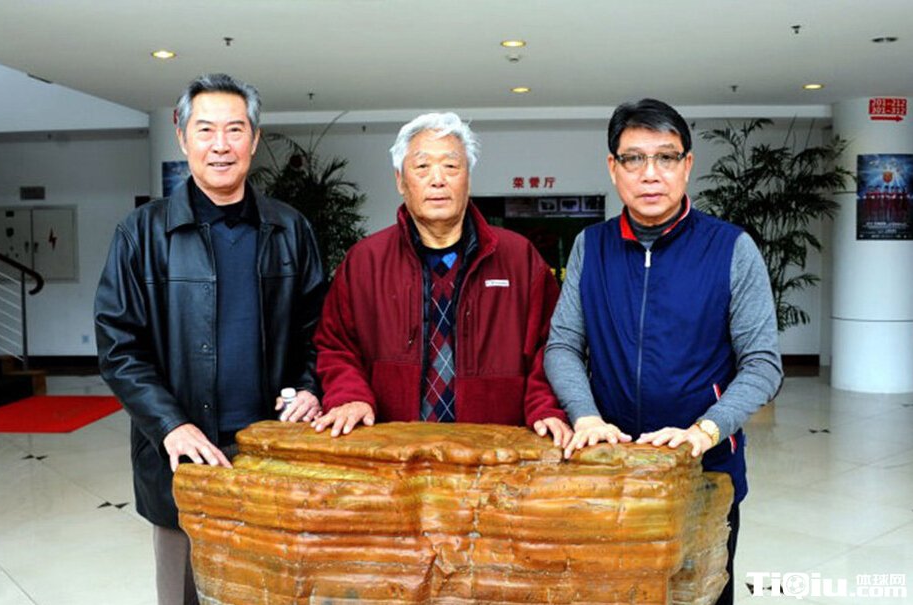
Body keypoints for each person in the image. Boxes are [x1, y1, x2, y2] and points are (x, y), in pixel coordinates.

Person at [94, 73, 326, 605]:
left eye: (235, 129)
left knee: (275, 589)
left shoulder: (290, 229)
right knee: (184, 593)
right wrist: (170, 425)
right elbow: (119, 347)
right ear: (182, 137)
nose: (221, 145)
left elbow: (321, 331)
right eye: (206, 130)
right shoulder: (141, 234)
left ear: (254, 139)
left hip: (271, 450)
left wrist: (310, 386)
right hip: (182, 454)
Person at [544, 98, 783, 605]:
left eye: (666, 157)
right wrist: (585, 416)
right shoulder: (591, 246)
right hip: (610, 464)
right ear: (613, 168)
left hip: (704, 468)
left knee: (699, 592)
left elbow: (762, 364)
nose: (650, 174)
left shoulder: (730, 248)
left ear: (687, 165)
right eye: (634, 158)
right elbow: (562, 343)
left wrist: (705, 430)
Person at [311, 112, 571, 446]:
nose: (438, 179)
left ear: (468, 179)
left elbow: (550, 346)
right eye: (422, 167)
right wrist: (350, 396)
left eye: (451, 166)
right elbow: (336, 345)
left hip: (494, 451)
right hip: (393, 451)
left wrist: (544, 407)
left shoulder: (519, 258)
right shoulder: (365, 260)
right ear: (400, 180)